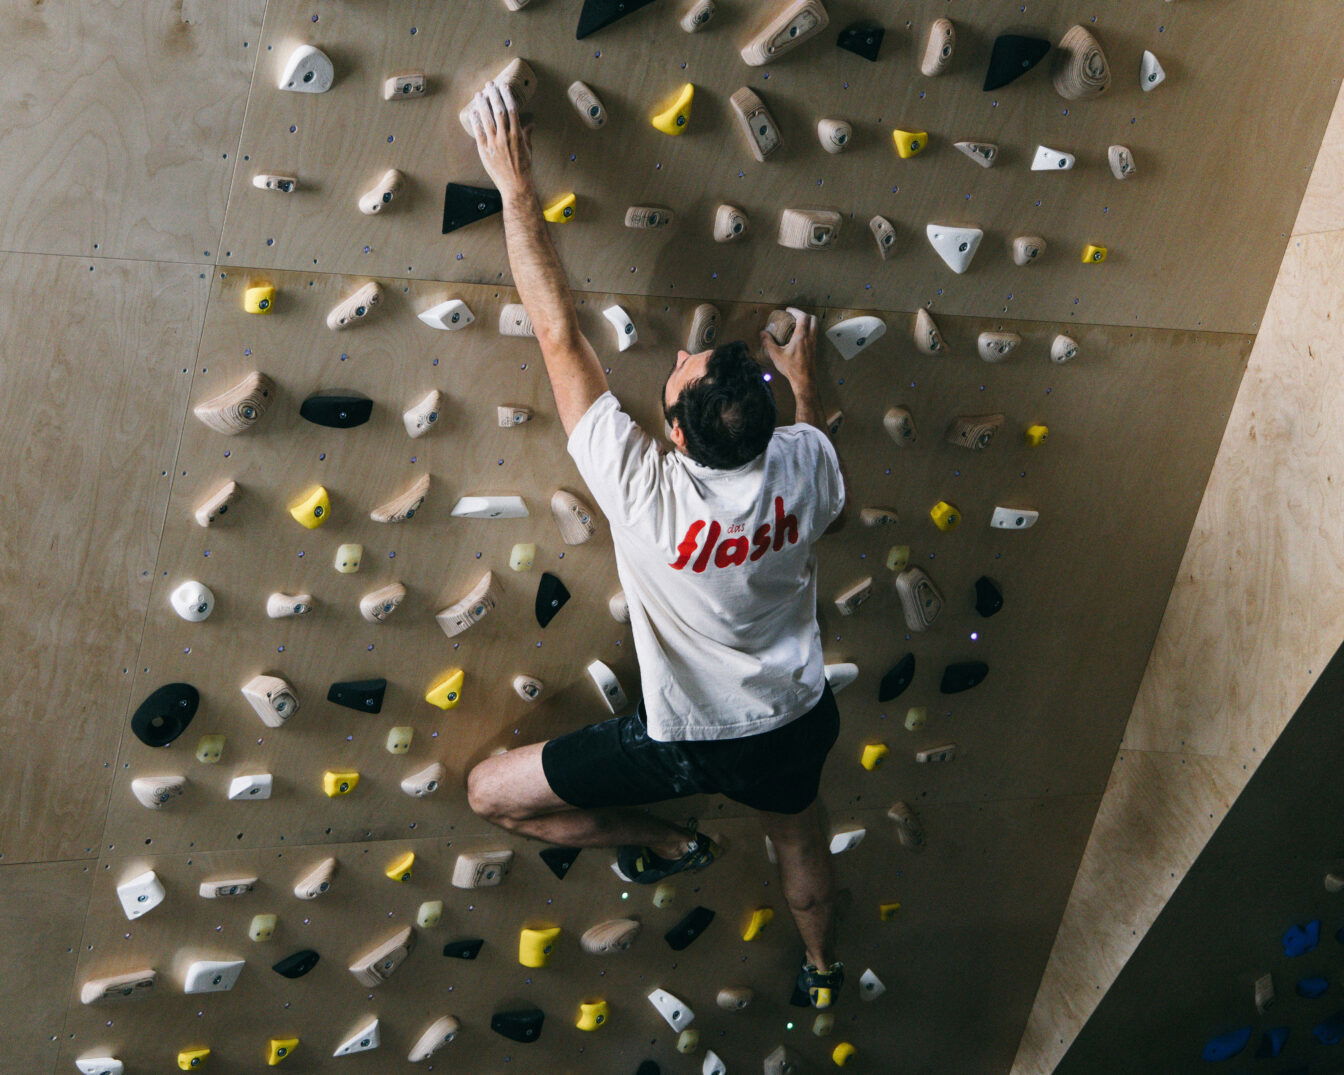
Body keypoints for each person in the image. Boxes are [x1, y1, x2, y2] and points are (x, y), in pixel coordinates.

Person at [463, 82, 847, 1008]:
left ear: (674, 435)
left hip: (704, 743)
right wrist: (800, 383)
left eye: (678, 374)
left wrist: (516, 189)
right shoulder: (806, 460)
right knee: (798, 839)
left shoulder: (647, 493)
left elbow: (558, 334)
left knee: (490, 793)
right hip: (801, 716)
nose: (675, 359)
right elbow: (808, 432)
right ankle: (824, 974)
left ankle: (668, 840)